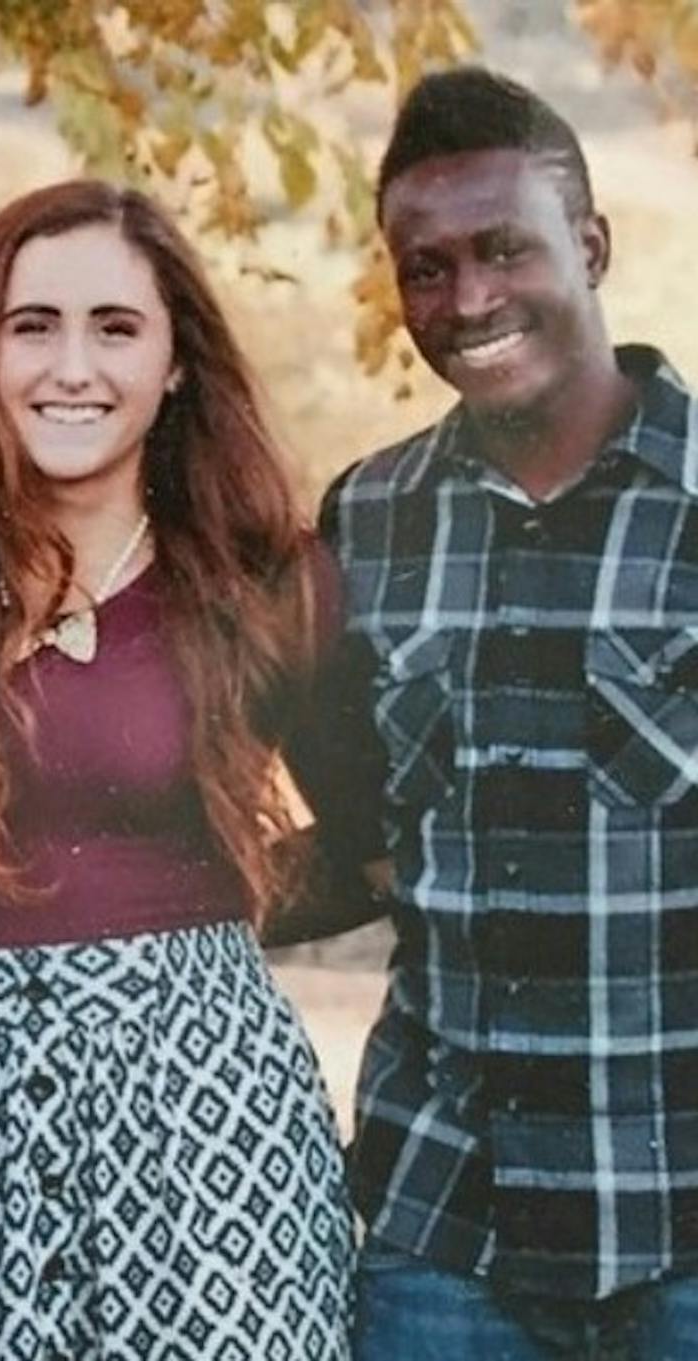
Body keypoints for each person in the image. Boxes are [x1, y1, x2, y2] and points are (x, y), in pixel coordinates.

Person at [0, 179, 355, 1358]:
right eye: (32, 325)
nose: (70, 365)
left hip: (205, 1106)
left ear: (178, 361)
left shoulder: (265, 580)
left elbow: (371, 835)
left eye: (116, 328)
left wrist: (179, 937)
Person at [289, 67, 698, 1357]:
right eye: (426, 267)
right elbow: (357, 835)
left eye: (505, 249)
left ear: (591, 245)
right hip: (443, 1233)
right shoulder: (366, 519)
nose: (467, 301)